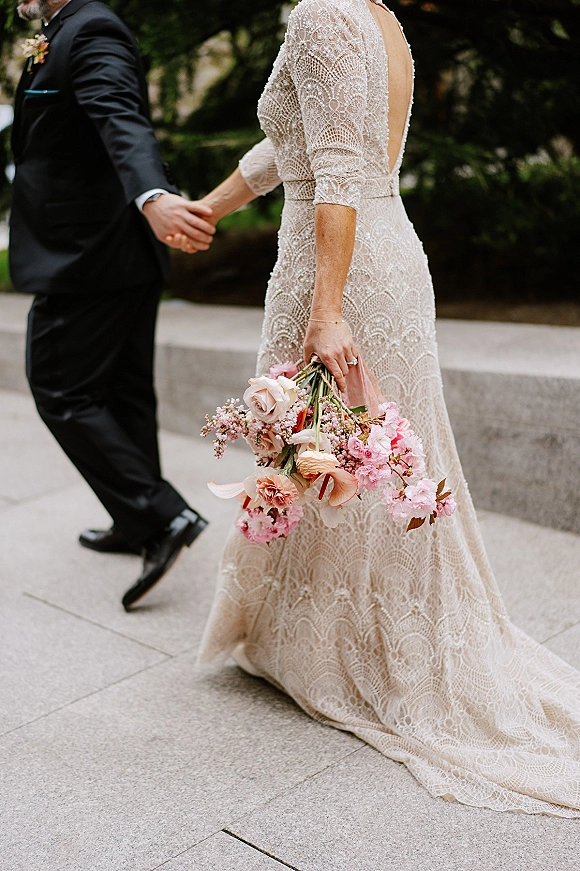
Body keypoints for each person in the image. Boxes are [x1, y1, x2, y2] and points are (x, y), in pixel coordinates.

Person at [179, 0, 580, 816]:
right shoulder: (377, 13)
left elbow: (333, 171)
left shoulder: (323, 14)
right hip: (383, 250)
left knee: (337, 454)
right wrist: (214, 208)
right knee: (351, 460)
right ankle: (316, 637)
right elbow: (294, 149)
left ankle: (344, 652)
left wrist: (326, 310)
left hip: (340, 268)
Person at [11, 0, 215, 610]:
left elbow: (119, 118)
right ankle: (136, 523)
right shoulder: (61, 31)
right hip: (113, 253)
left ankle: (161, 518)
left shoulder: (90, 29)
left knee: (57, 386)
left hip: (91, 254)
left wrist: (153, 195)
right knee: (123, 393)